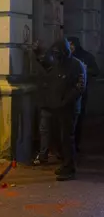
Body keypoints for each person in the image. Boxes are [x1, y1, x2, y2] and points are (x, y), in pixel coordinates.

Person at [31, 39, 85, 181]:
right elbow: (47, 67)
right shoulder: (58, 63)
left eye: (58, 53)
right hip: (58, 107)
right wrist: (37, 53)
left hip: (70, 109)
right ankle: (65, 164)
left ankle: (69, 168)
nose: (56, 56)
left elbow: (79, 87)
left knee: (68, 138)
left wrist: (65, 100)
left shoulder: (76, 65)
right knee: (61, 138)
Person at [67, 37, 99, 152]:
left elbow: (96, 71)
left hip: (82, 92)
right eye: (68, 44)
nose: (70, 47)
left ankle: (76, 143)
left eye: (72, 45)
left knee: (79, 118)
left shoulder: (86, 56)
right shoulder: (66, 56)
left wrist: (86, 69)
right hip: (67, 92)